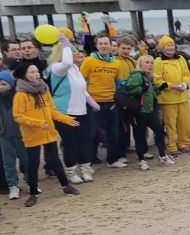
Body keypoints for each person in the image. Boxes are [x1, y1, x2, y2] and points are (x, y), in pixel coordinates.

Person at [11, 62, 80, 207]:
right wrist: (38, 123)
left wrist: (67, 119)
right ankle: (33, 193)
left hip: (48, 132)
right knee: (33, 164)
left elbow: (52, 111)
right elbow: (18, 116)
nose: (36, 74)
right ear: (24, 75)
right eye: (32, 72)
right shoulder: (21, 95)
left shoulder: (44, 90)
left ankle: (65, 186)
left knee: (55, 160)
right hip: (32, 135)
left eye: (37, 71)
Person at [46, 34, 99, 183]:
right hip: (65, 113)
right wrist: (65, 43)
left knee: (84, 142)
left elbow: (82, 88)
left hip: (81, 111)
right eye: (73, 50)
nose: (77, 52)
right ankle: (71, 171)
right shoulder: (57, 67)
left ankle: (85, 168)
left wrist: (90, 100)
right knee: (70, 143)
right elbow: (67, 62)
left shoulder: (76, 68)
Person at [80, 34, 126, 167]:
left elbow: (119, 83)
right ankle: (90, 160)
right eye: (101, 44)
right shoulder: (89, 61)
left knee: (113, 132)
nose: (104, 46)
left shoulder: (116, 63)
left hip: (111, 101)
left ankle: (112, 159)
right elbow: (81, 81)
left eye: (106, 43)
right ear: (96, 46)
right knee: (92, 132)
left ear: (111, 46)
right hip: (93, 102)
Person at [124, 55, 175, 169]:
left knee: (159, 131)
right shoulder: (137, 75)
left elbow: (149, 93)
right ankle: (141, 160)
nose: (150, 65)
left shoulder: (147, 76)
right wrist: (142, 88)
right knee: (140, 135)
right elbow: (128, 89)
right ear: (140, 64)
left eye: (151, 63)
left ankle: (162, 155)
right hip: (139, 111)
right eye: (147, 62)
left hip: (149, 110)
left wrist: (158, 90)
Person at [0, 70, 30, 200]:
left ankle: (31, 182)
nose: (1, 87)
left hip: (21, 134)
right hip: (4, 134)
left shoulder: (19, 96)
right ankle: (13, 186)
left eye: (4, 83)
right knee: (8, 162)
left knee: (26, 159)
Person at [154, 36, 190, 155]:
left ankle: (184, 144)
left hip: (182, 96)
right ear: (162, 47)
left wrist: (184, 84)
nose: (170, 48)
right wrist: (172, 86)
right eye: (167, 45)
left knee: (184, 122)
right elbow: (158, 80)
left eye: (172, 45)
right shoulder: (158, 61)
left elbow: (187, 74)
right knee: (170, 124)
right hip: (167, 99)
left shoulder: (181, 59)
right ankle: (172, 147)